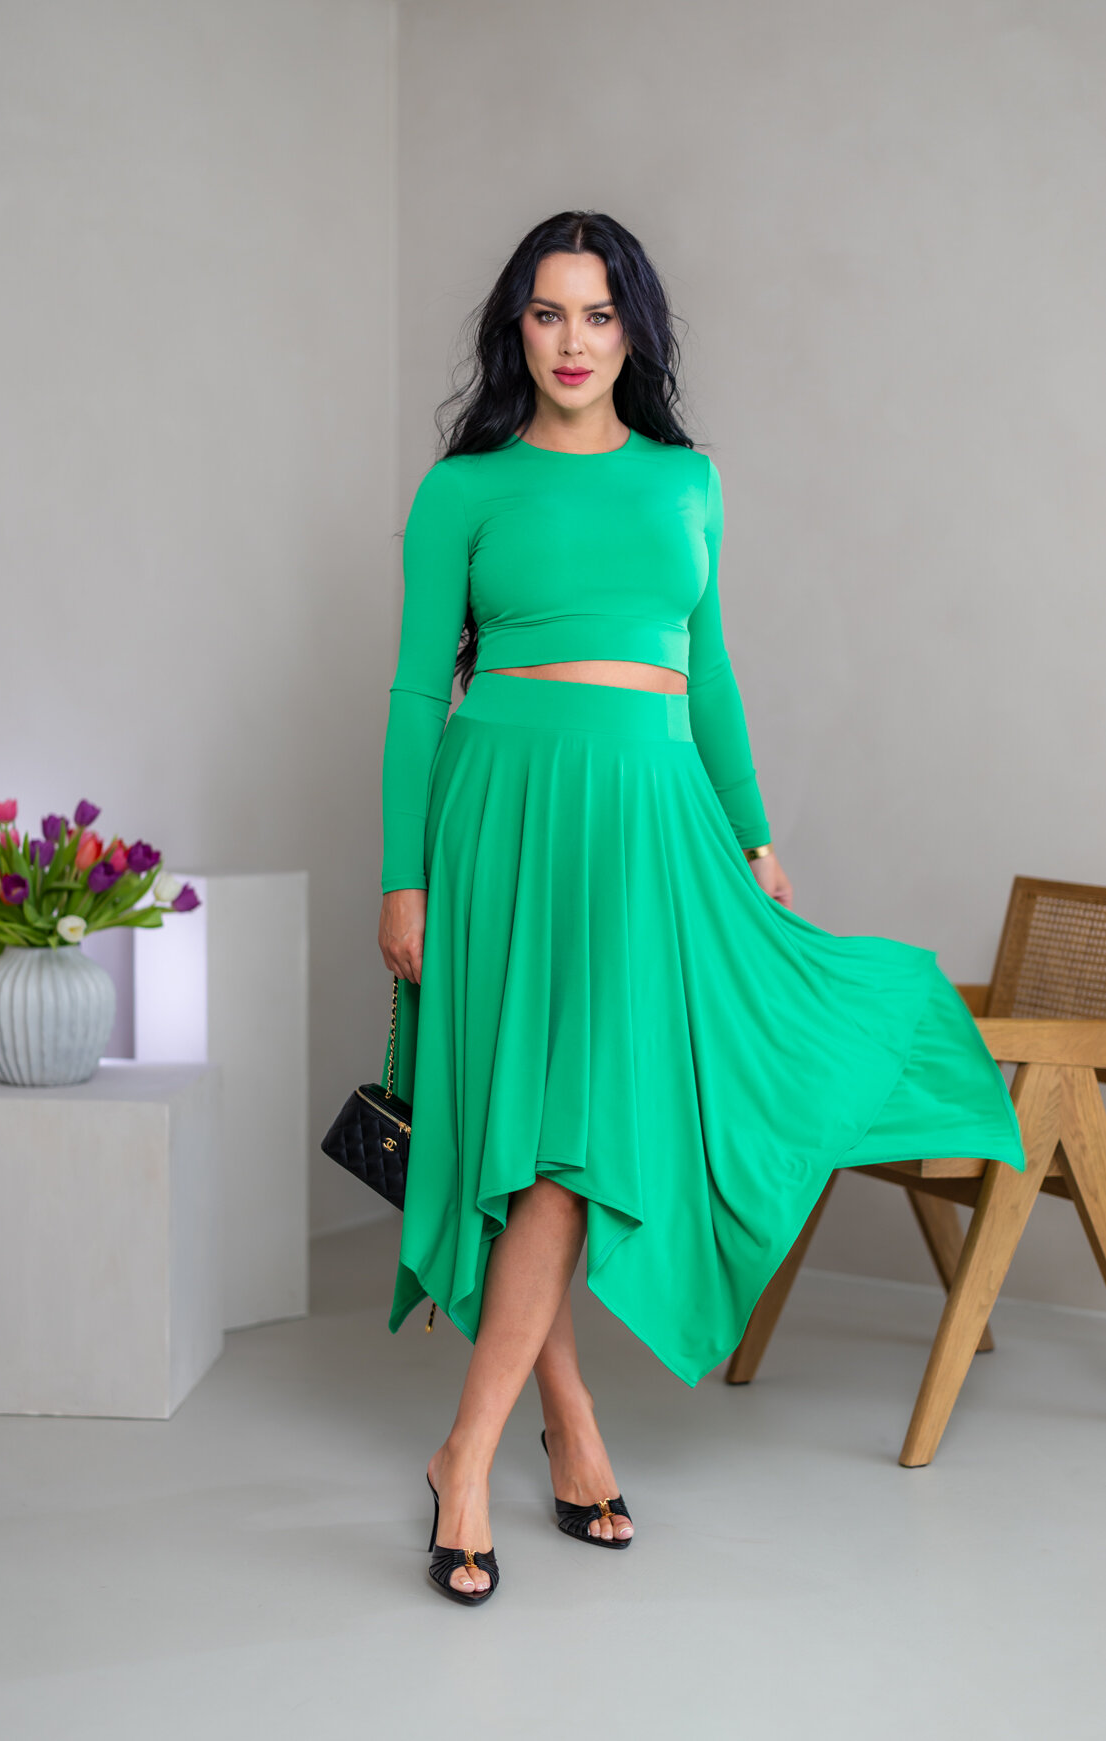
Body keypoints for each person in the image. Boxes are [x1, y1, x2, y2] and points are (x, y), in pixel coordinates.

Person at [377, 210, 1026, 1605]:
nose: (572, 341)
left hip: (653, 829)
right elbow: (420, 690)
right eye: (547, 313)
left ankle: (469, 1448)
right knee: (529, 1140)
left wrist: (754, 836)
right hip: (502, 822)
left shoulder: (688, 480)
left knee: (571, 1136)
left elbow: (708, 669)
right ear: (515, 330)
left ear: (635, 331)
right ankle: (551, 1431)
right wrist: (402, 874)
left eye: (598, 314)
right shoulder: (463, 489)